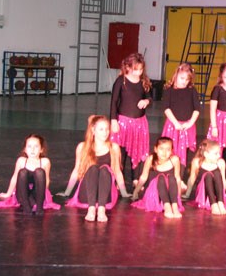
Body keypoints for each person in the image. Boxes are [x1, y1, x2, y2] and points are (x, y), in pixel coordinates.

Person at [63, 115, 130, 222]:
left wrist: (124, 192)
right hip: (87, 194)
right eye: (101, 129)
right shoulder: (82, 146)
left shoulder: (114, 147)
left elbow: (117, 171)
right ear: (93, 130)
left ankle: (101, 210)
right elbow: (76, 170)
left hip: (105, 194)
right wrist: (67, 192)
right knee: (93, 168)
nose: (105, 132)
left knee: (105, 169)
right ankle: (91, 209)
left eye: (107, 129)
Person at [0, 134, 60, 215]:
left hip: (37, 194)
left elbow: (46, 179)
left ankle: (39, 208)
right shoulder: (21, 161)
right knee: (23, 172)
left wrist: (45, 193)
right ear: (25, 149)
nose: (32, 149)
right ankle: (27, 208)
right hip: (23, 194)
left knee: (39, 171)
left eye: (36, 146)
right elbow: (15, 177)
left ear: (41, 149)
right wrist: (8, 193)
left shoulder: (45, 161)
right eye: (29, 146)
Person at [110, 52, 152, 187]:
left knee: (138, 150)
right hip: (123, 122)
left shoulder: (143, 81)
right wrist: (113, 120)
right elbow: (114, 101)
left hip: (139, 123)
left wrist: (146, 101)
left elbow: (149, 96)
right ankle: (119, 178)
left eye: (140, 70)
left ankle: (135, 178)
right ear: (128, 67)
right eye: (135, 69)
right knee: (121, 152)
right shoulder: (121, 81)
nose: (138, 73)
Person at [160, 63, 201, 180]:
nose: (184, 82)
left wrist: (190, 123)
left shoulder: (192, 90)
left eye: (187, 79)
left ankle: (181, 178)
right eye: (182, 78)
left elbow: (197, 109)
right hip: (173, 126)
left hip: (187, 127)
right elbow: (166, 108)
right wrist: (176, 123)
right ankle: (168, 175)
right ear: (176, 75)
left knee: (185, 153)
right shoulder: (169, 90)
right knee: (171, 150)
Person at [131, 137, 184, 218]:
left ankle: (174, 206)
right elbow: (143, 177)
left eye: (168, 149)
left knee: (171, 177)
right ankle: (167, 207)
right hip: (154, 195)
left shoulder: (174, 160)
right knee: (161, 177)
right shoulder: (151, 159)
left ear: (171, 151)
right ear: (156, 149)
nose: (164, 152)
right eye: (161, 149)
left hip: (169, 193)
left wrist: (178, 196)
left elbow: (177, 179)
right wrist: (135, 192)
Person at [184, 139, 226, 215]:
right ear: (206, 154)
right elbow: (192, 178)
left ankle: (220, 203)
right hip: (203, 194)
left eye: (219, 153)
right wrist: (188, 193)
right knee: (208, 175)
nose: (219, 155)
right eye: (216, 153)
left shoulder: (220, 162)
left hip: (217, 194)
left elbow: (223, 181)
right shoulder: (197, 162)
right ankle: (213, 205)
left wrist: (223, 195)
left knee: (216, 173)